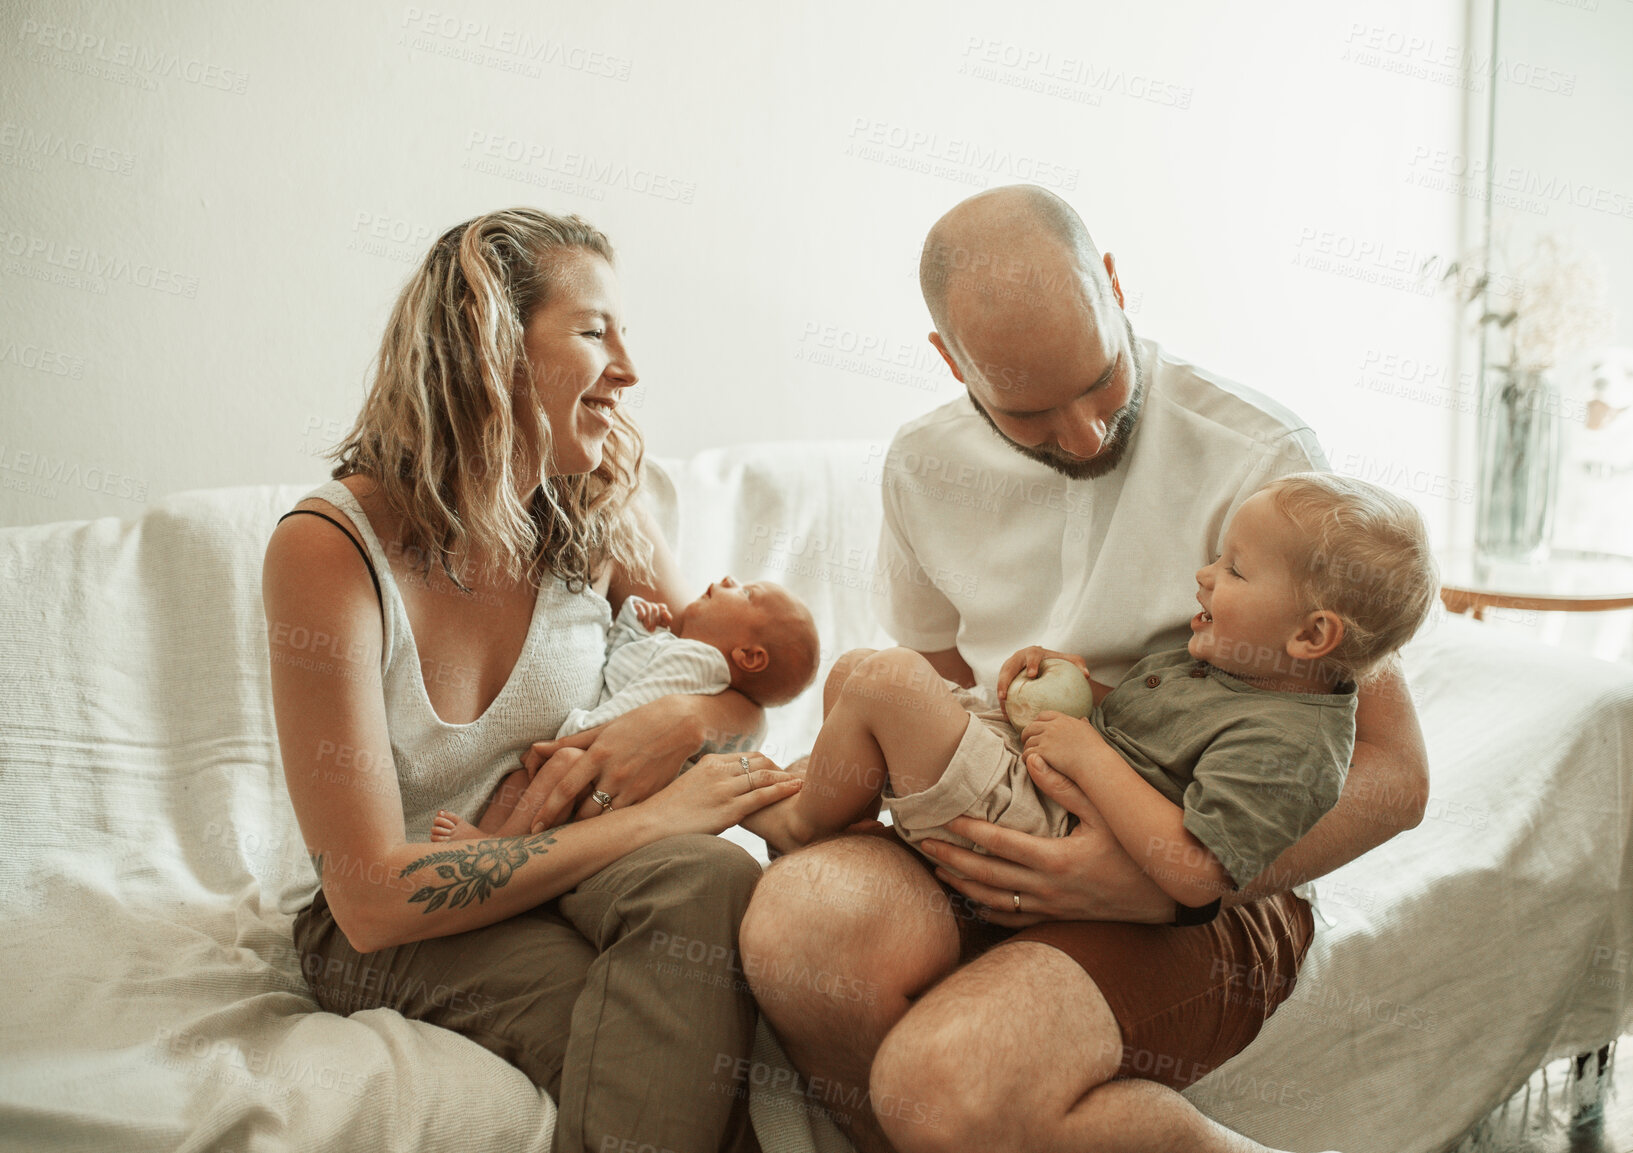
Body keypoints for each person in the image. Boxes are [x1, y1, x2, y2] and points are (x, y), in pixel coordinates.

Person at [738, 186, 1431, 1153]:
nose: (1085, 436)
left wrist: (1163, 882)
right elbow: (944, 696)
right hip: (1009, 825)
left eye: (1100, 381)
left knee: (943, 1083)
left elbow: (1393, 773)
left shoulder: (1261, 459)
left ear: (1112, 284)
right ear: (950, 361)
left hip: (1199, 887)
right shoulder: (921, 467)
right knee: (798, 926)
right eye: (1027, 411)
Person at [266, 208, 802, 1153]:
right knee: (674, 1050)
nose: (629, 370)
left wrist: (678, 720)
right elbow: (370, 896)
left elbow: (735, 686)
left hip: (568, 866)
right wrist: (650, 819)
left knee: (707, 877)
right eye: (596, 332)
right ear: (492, 350)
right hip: (396, 925)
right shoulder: (331, 548)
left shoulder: (595, 503)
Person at [744, 474, 1438, 915]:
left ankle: (806, 825)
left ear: (1311, 635)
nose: (1202, 575)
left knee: (885, 681)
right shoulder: (1237, 663)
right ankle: (845, 815)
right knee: (854, 672)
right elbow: (1142, 724)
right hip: (1044, 771)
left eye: (1233, 569)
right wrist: (1072, 685)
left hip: (1055, 824)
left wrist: (1085, 755)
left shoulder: (1291, 746)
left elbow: (1196, 872)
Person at [433, 577, 820, 842]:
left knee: (563, 761)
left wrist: (576, 733)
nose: (727, 581)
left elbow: (634, 715)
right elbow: (616, 665)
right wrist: (635, 623)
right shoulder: (676, 650)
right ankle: (487, 841)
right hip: (608, 766)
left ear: (749, 656)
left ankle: (499, 848)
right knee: (518, 781)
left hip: (615, 772)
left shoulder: (698, 663)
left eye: (748, 595)